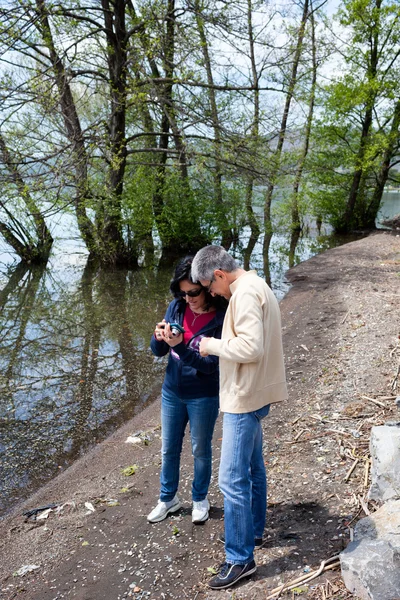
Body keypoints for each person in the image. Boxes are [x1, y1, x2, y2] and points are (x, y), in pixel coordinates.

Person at [191, 245, 288, 590]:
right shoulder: (259, 284)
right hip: (256, 392)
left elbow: (251, 348)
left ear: (219, 274)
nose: (213, 294)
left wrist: (210, 345)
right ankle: (254, 534)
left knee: (231, 480)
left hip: (244, 398)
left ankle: (239, 558)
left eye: (211, 287)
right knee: (252, 469)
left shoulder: (244, 293)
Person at [147, 256, 226, 524]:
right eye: (182, 293)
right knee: (169, 449)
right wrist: (158, 337)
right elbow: (158, 352)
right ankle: (167, 498)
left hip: (204, 394)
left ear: (207, 287)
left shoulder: (222, 317)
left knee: (200, 450)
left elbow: (209, 366)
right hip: (172, 392)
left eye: (193, 292)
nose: (188, 298)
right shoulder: (177, 307)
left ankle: (199, 498)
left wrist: (180, 346)